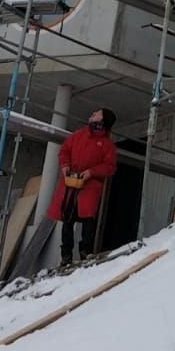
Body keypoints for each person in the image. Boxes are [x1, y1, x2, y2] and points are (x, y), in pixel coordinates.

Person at [47, 108, 118, 264]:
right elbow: (64, 151)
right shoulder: (79, 134)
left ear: (103, 120)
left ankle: (85, 252)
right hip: (70, 184)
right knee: (67, 219)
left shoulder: (107, 145)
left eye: (97, 113)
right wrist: (65, 166)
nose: (93, 113)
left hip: (90, 187)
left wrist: (91, 172)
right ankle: (66, 256)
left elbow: (110, 167)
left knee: (87, 220)